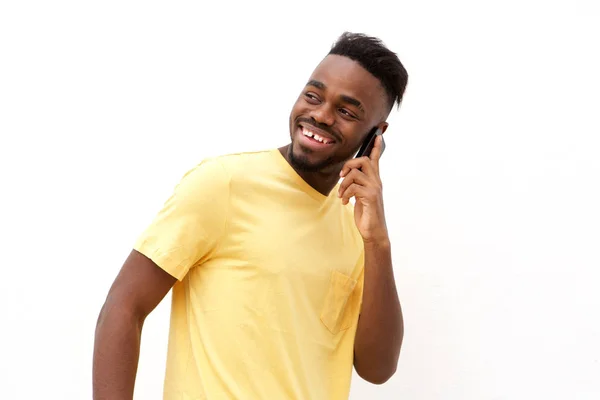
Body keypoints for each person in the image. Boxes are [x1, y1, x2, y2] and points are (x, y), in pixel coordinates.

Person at [93, 31, 408, 400]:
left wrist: (377, 242)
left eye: (346, 111)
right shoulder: (223, 184)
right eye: (313, 95)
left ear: (376, 135)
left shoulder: (357, 229)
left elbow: (377, 368)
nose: (320, 115)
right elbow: (124, 306)